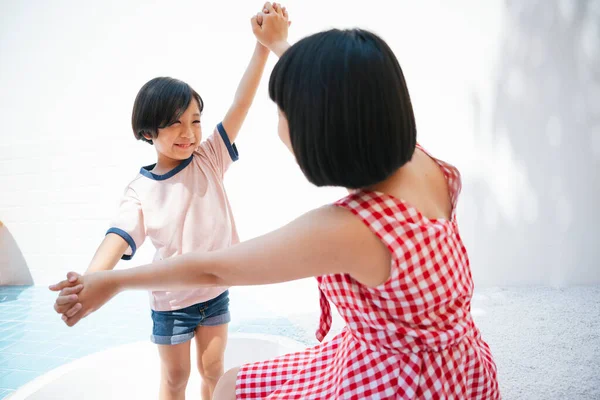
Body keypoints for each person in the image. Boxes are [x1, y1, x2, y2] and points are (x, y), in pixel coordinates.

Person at [51, 4, 500, 398]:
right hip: (461, 360)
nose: (282, 119)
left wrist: (110, 283)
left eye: (286, 111)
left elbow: (214, 267)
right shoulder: (424, 163)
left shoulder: (346, 229)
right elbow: (346, 94)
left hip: (406, 378)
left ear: (319, 128)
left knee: (222, 382)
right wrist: (280, 43)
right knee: (185, 379)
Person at [50, 3, 290, 399]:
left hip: (214, 291)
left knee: (213, 369)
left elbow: (241, 104)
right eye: (175, 123)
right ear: (148, 131)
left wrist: (263, 46)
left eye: (195, 120)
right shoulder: (139, 189)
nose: (189, 132)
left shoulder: (210, 158)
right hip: (170, 302)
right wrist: (89, 283)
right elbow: (117, 238)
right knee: (175, 378)